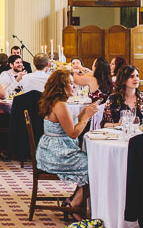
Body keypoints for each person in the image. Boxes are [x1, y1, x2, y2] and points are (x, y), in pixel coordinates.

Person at [36, 70, 99, 220]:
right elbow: (73, 133)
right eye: (70, 83)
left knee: (94, 164)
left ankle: (73, 201)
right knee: (96, 166)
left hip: (51, 150)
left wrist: (82, 114)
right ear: (61, 86)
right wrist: (87, 117)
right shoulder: (60, 105)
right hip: (57, 154)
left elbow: (68, 124)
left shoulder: (56, 103)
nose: (74, 86)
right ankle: (73, 205)